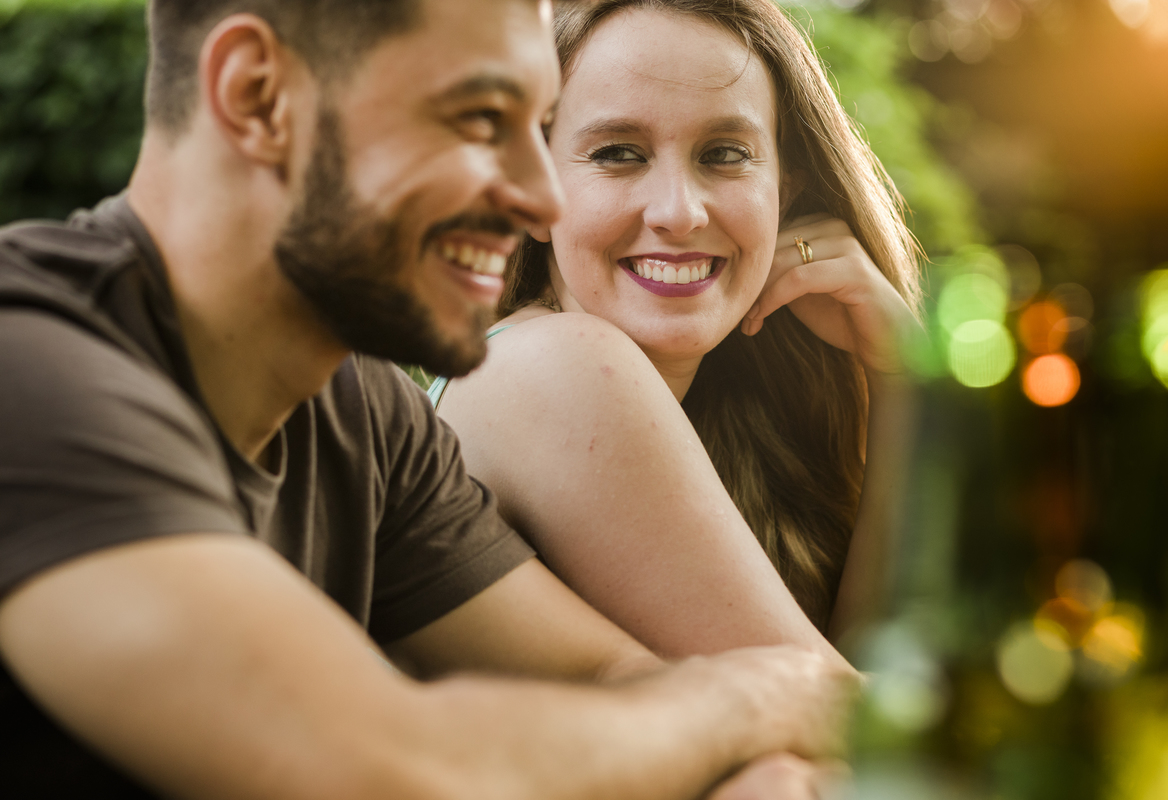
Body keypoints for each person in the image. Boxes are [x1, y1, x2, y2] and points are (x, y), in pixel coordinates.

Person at [0, 0, 860, 797]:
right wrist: (752, 705)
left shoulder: (361, 413)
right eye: (481, 120)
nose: (538, 197)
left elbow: (619, 681)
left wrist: (751, 763)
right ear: (257, 97)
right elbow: (390, 762)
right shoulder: (27, 366)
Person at [432, 0, 923, 662]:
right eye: (618, 153)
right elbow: (863, 727)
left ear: (786, 192)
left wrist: (900, 385)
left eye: (724, 153)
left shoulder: (730, 422)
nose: (679, 211)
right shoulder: (557, 367)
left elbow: (894, 681)